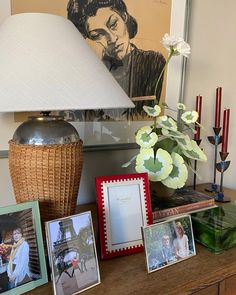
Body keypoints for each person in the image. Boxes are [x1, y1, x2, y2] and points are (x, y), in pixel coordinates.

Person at [67, 0, 166, 117]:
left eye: (113, 24)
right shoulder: (89, 73)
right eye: (97, 35)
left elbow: (144, 117)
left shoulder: (153, 61)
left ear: (124, 16)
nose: (112, 39)